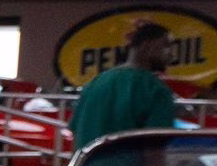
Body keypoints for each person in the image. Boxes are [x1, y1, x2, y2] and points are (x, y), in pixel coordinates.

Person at [71, 21, 178, 149]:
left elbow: (76, 135)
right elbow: (155, 150)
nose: (172, 54)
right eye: (167, 46)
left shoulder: (95, 83)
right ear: (147, 45)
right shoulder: (155, 90)